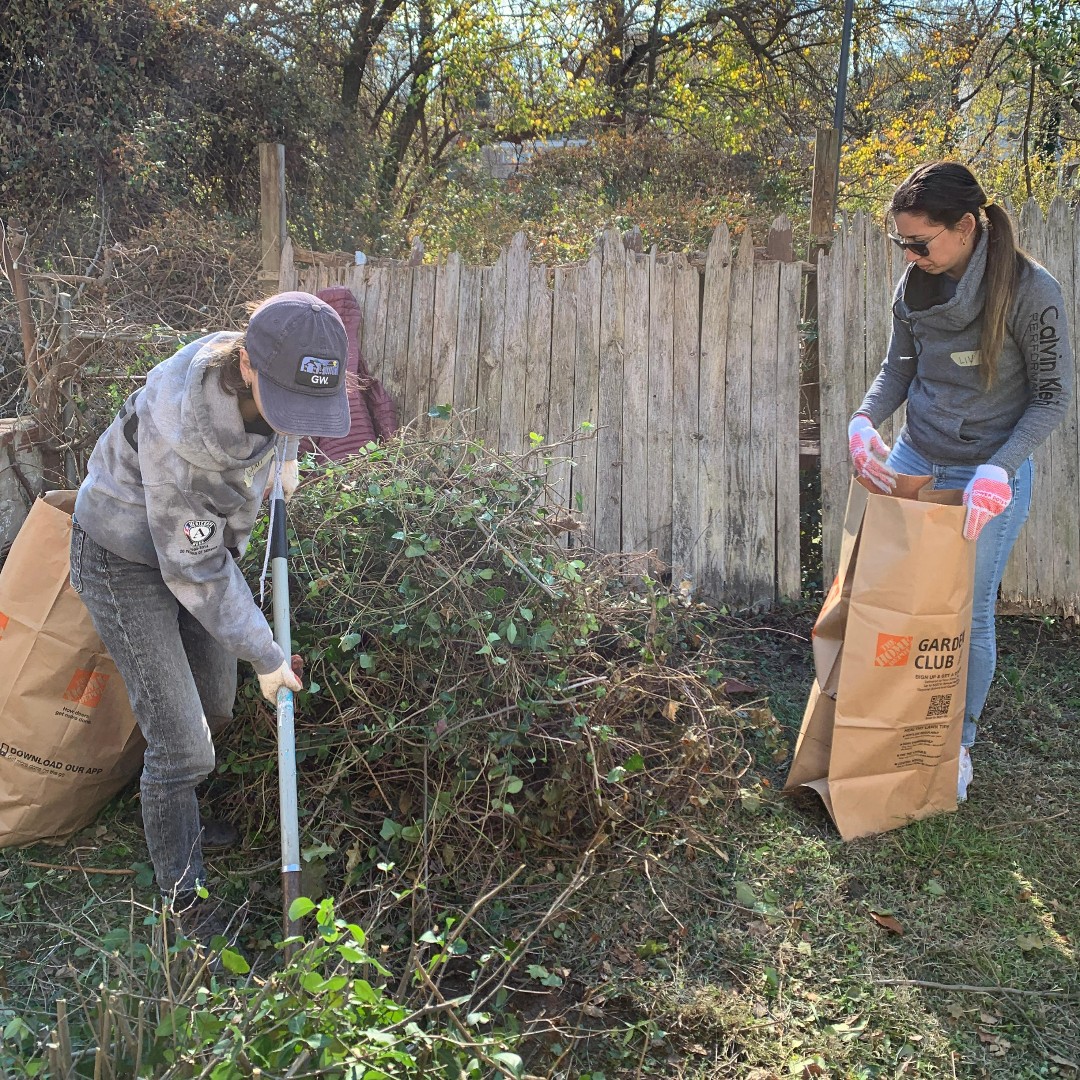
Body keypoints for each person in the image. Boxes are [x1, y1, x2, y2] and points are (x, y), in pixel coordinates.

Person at [70, 291, 350, 937]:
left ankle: (182, 813)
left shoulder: (265, 357)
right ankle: (183, 898)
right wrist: (266, 653)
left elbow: (282, 413)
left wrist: (285, 459)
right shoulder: (184, 434)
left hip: (196, 553)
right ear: (247, 365)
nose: (293, 419)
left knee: (216, 703)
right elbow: (192, 568)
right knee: (182, 744)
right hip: (123, 557)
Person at [848, 161, 1073, 802]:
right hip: (917, 457)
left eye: (920, 242)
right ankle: (892, 723)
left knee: (965, 614)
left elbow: (1053, 397)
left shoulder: (1033, 291)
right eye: (902, 244)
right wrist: (866, 419)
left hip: (987, 476)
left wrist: (1000, 469)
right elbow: (898, 366)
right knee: (893, 597)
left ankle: (957, 744)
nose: (911, 255)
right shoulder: (915, 287)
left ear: (967, 227)